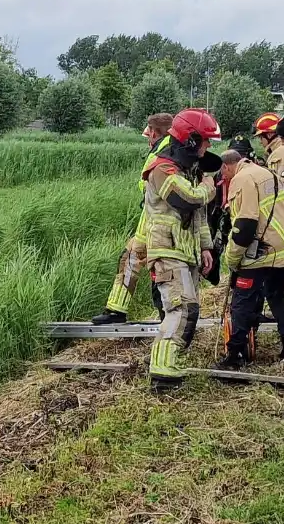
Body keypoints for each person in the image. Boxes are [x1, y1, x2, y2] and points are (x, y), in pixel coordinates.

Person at [142, 108, 221, 392]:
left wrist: (206, 247)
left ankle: (169, 367)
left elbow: (198, 215)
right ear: (190, 139)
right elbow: (188, 199)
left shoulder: (188, 170)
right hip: (167, 249)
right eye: (206, 141)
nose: (209, 147)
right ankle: (163, 374)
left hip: (185, 251)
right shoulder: (162, 168)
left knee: (189, 310)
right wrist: (209, 187)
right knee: (180, 310)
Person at [215, 149, 284, 365]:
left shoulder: (241, 179)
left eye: (222, 174)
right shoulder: (265, 173)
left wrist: (232, 258)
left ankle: (237, 354)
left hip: (263, 252)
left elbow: (245, 225)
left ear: (227, 166)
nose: (223, 179)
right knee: (275, 296)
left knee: (242, 302)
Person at [93, 113, 175, 324]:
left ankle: (165, 321)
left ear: (154, 132)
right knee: (131, 258)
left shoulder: (163, 151)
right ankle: (116, 310)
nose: (148, 138)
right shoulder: (171, 146)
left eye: (149, 133)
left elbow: (148, 184)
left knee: (149, 264)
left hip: (157, 218)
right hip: (152, 216)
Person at [254, 112, 284, 180]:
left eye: (261, 137)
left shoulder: (278, 154)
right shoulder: (280, 149)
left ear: (269, 135)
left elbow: (278, 181)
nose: (260, 142)